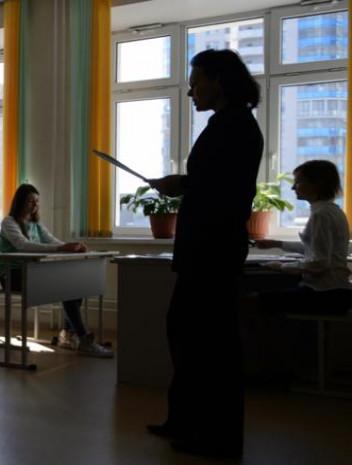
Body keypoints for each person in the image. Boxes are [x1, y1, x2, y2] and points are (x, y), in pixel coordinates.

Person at [146, 49, 263, 458]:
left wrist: (180, 184)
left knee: (210, 345)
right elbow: (212, 181)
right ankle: (185, 420)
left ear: (219, 81)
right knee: (186, 334)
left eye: (195, 82)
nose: (190, 91)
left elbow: (219, 190)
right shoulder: (227, 124)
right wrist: (183, 183)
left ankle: (215, 436)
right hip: (205, 251)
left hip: (212, 252)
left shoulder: (235, 126)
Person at [0, 183, 113, 358]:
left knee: (75, 285)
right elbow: (23, 245)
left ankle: (68, 335)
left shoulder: (36, 224)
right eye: (30, 201)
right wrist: (62, 248)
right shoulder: (9, 222)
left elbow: (52, 241)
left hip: (34, 273)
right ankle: (83, 339)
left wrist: (72, 247)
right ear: (20, 202)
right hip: (13, 275)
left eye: (37, 201)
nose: (35, 205)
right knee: (66, 286)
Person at [256, 160, 352, 313]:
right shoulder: (332, 211)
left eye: (298, 182)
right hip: (336, 291)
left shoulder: (321, 215)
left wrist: (281, 266)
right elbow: (314, 248)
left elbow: (319, 264)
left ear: (317, 184)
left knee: (252, 300)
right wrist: (276, 243)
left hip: (325, 293)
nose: (293, 187)